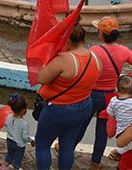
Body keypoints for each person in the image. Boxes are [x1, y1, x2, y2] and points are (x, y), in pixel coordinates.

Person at [75, 16, 132, 169]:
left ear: (101, 34)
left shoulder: (94, 51)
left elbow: (83, 71)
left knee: (81, 124)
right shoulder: (124, 51)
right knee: (102, 130)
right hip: (110, 97)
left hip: (91, 94)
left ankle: (67, 147)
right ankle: (96, 161)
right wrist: (123, 81)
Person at [35, 25, 102, 170]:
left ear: (68, 41)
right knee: (67, 145)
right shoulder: (96, 58)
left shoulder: (64, 59)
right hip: (83, 106)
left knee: (42, 144)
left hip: (59, 109)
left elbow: (41, 77)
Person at [106, 75, 132, 159]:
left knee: (125, 145)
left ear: (116, 88)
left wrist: (115, 115)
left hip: (120, 129)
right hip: (130, 129)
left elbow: (109, 111)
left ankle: (119, 154)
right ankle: (115, 152)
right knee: (129, 147)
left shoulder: (113, 100)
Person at [3, 93, 34, 170]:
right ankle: (15, 168)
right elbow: (25, 137)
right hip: (19, 145)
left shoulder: (9, 116)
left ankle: (4, 167)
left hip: (9, 141)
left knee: (9, 155)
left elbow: (6, 124)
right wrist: (31, 141)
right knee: (17, 160)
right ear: (23, 110)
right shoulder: (24, 123)